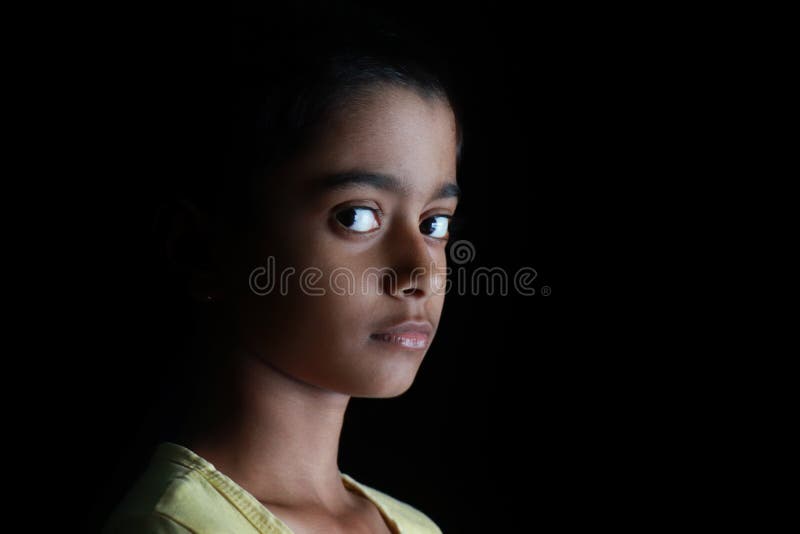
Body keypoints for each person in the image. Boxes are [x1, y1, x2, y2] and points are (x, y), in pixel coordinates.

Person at [103, 7, 463, 533]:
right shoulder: (172, 527)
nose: (421, 272)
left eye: (434, 224)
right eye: (356, 216)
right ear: (201, 249)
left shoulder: (415, 526)